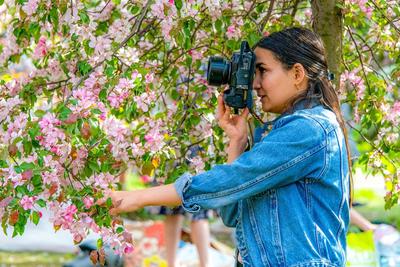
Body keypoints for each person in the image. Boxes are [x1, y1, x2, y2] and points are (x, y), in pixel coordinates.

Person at [98, 27, 353, 267]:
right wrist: (237, 142)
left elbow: (234, 179)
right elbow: (232, 213)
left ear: (297, 74)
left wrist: (137, 197)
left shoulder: (309, 129)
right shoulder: (282, 133)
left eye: (263, 70)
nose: (255, 84)